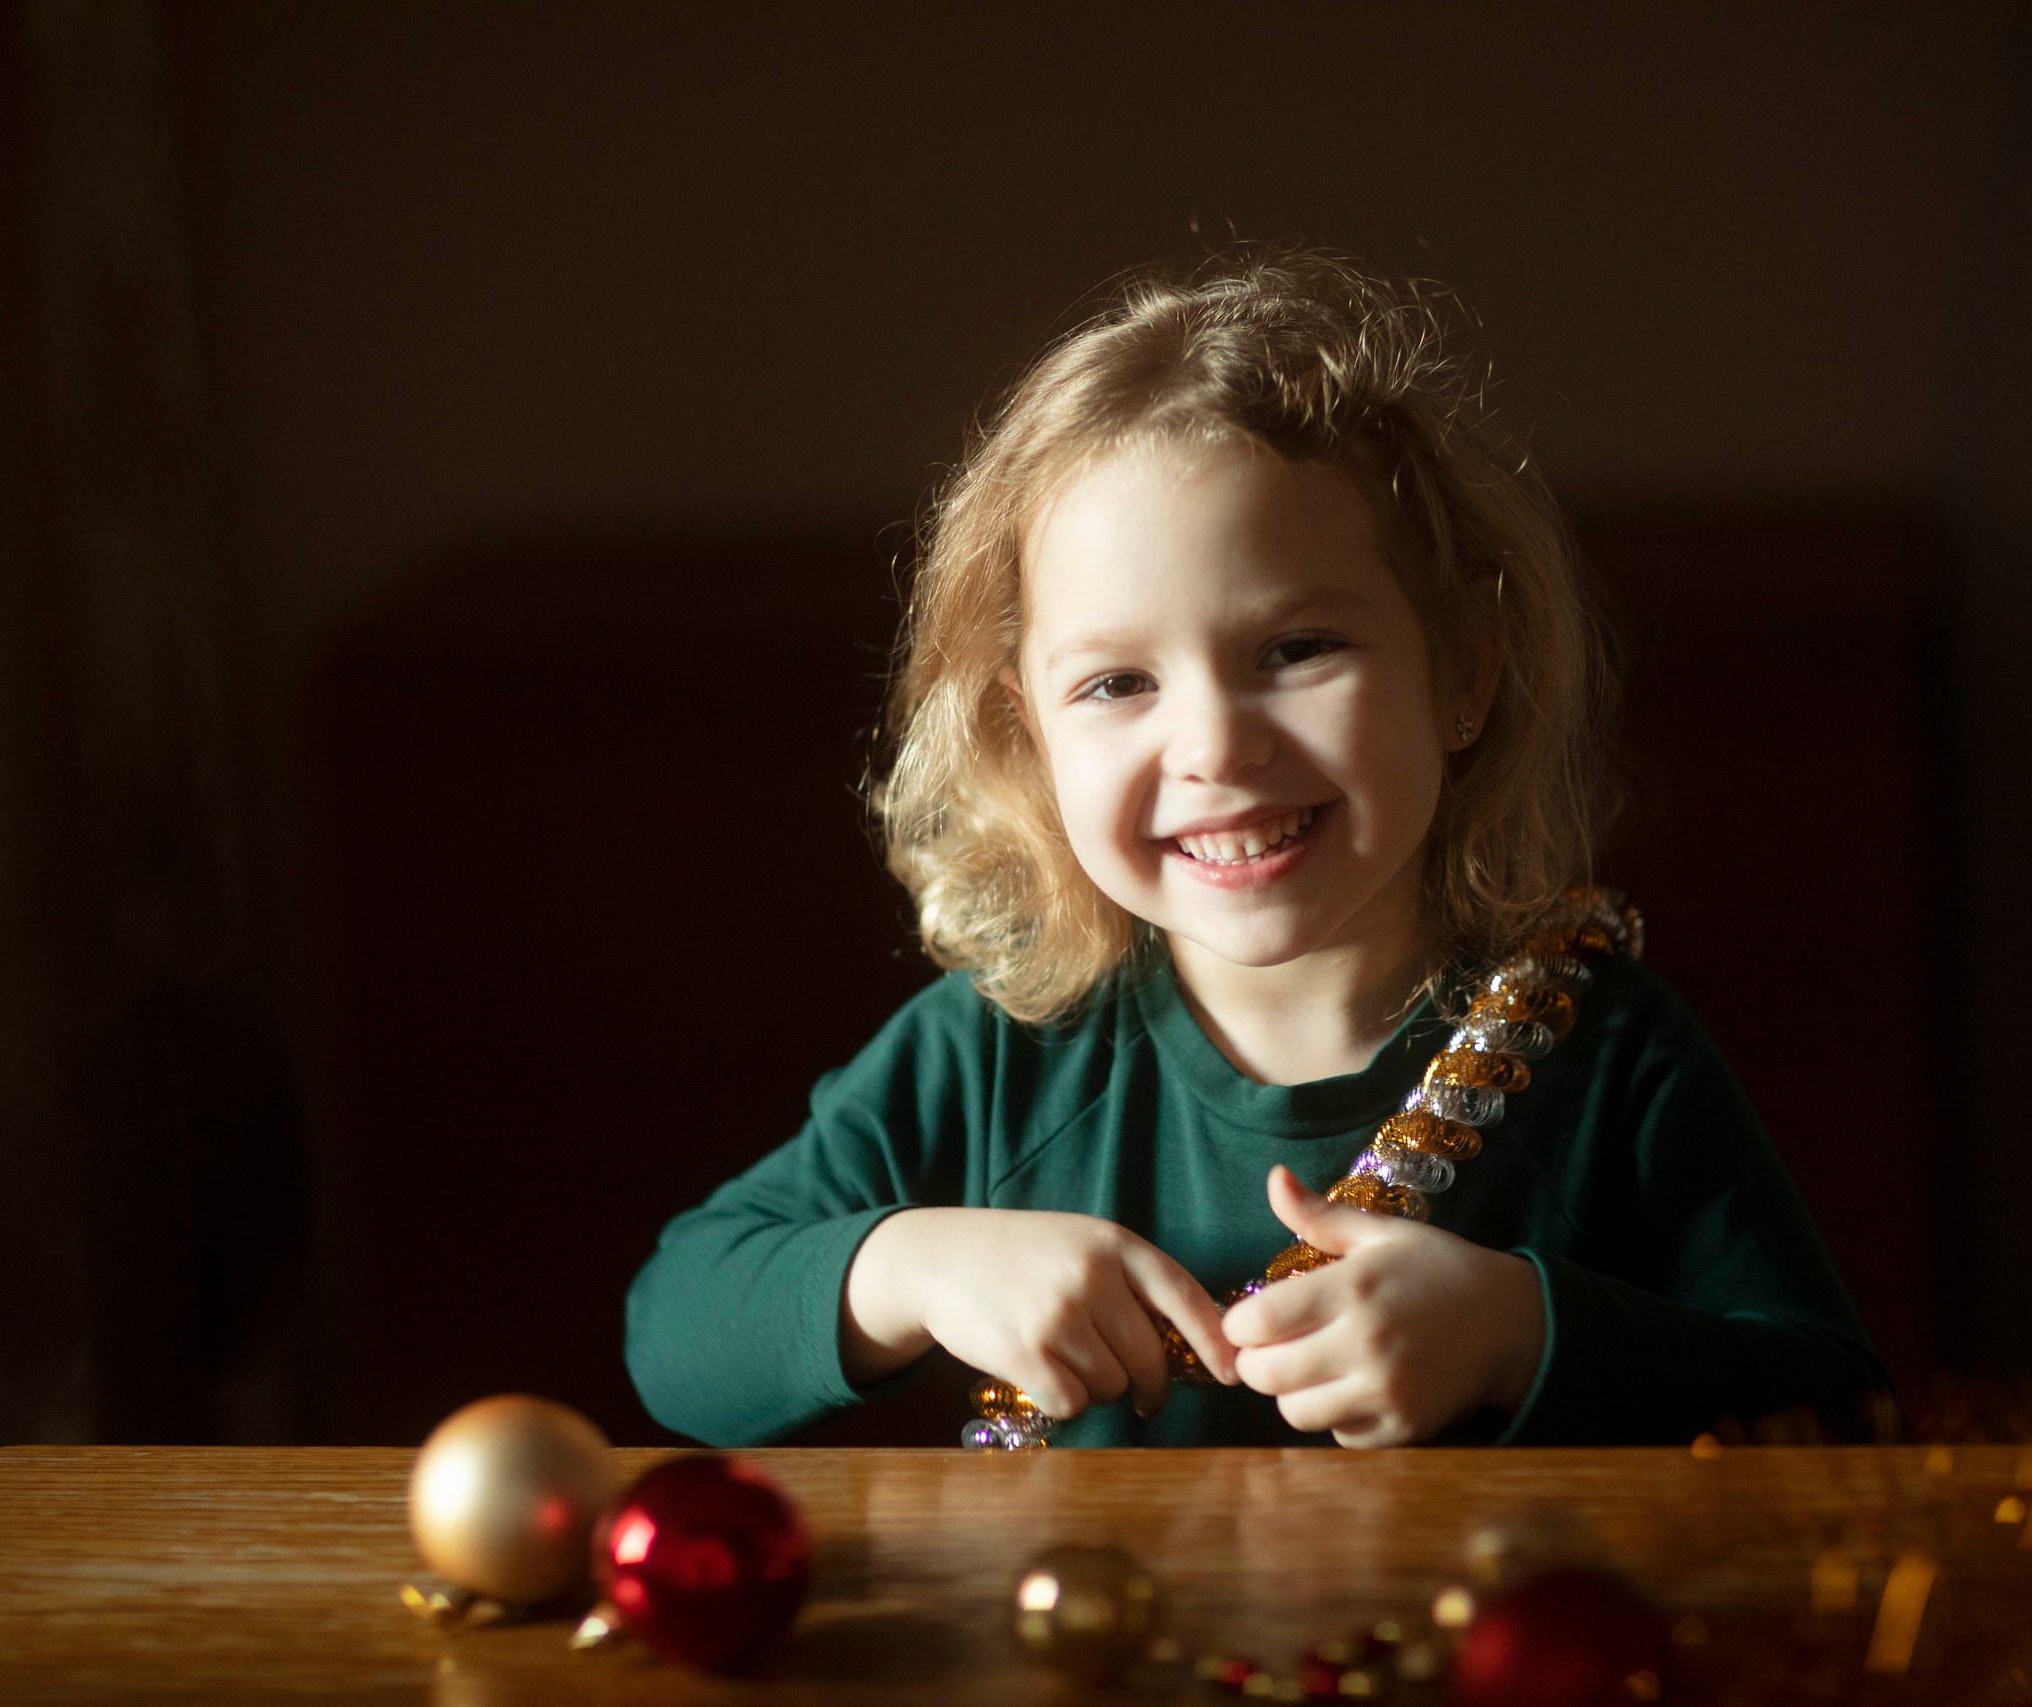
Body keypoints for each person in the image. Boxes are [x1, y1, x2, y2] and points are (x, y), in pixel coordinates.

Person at [626, 251, 1887, 1449]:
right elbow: (674, 1330)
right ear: (1028, 735)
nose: (1215, 749)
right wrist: (910, 1268)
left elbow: (1832, 1410)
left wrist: (1521, 1336)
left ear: (1462, 670)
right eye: (1118, 682)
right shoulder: (998, 1052)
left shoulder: (1607, 1055)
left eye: (1295, 651)